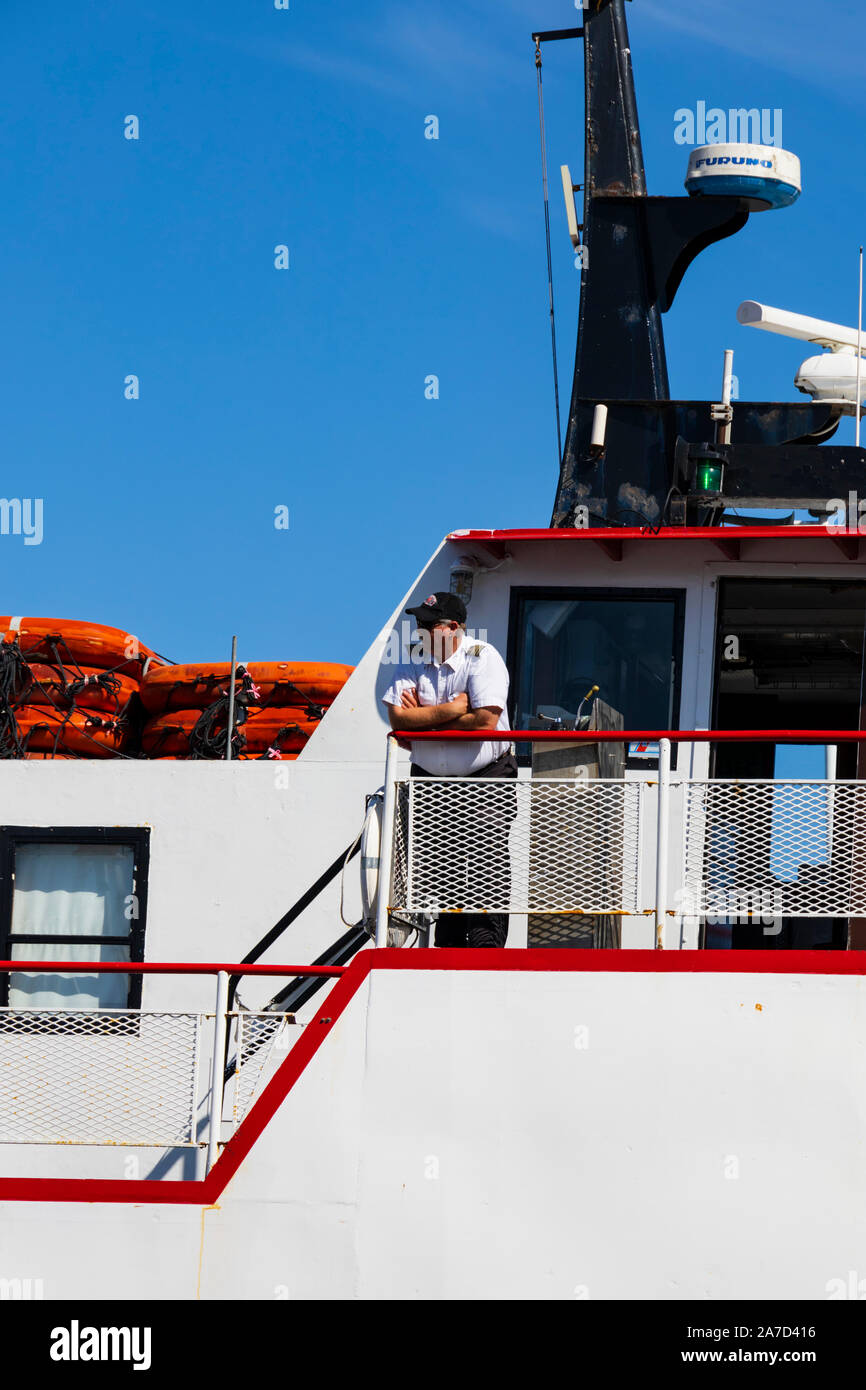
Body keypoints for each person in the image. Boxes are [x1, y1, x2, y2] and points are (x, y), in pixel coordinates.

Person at [382, 591, 517, 947]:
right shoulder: (413, 659)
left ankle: (487, 937)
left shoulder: (482, 656)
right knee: (441, 854)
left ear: (453, 628)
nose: (420, 631)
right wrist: (455, 709)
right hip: (431, 777)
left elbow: (486, 719)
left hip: (486, 774)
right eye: (418, 623)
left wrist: (425, 724)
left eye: (428, 624)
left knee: (487, 852)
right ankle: (453, 935)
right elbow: (398, 718)